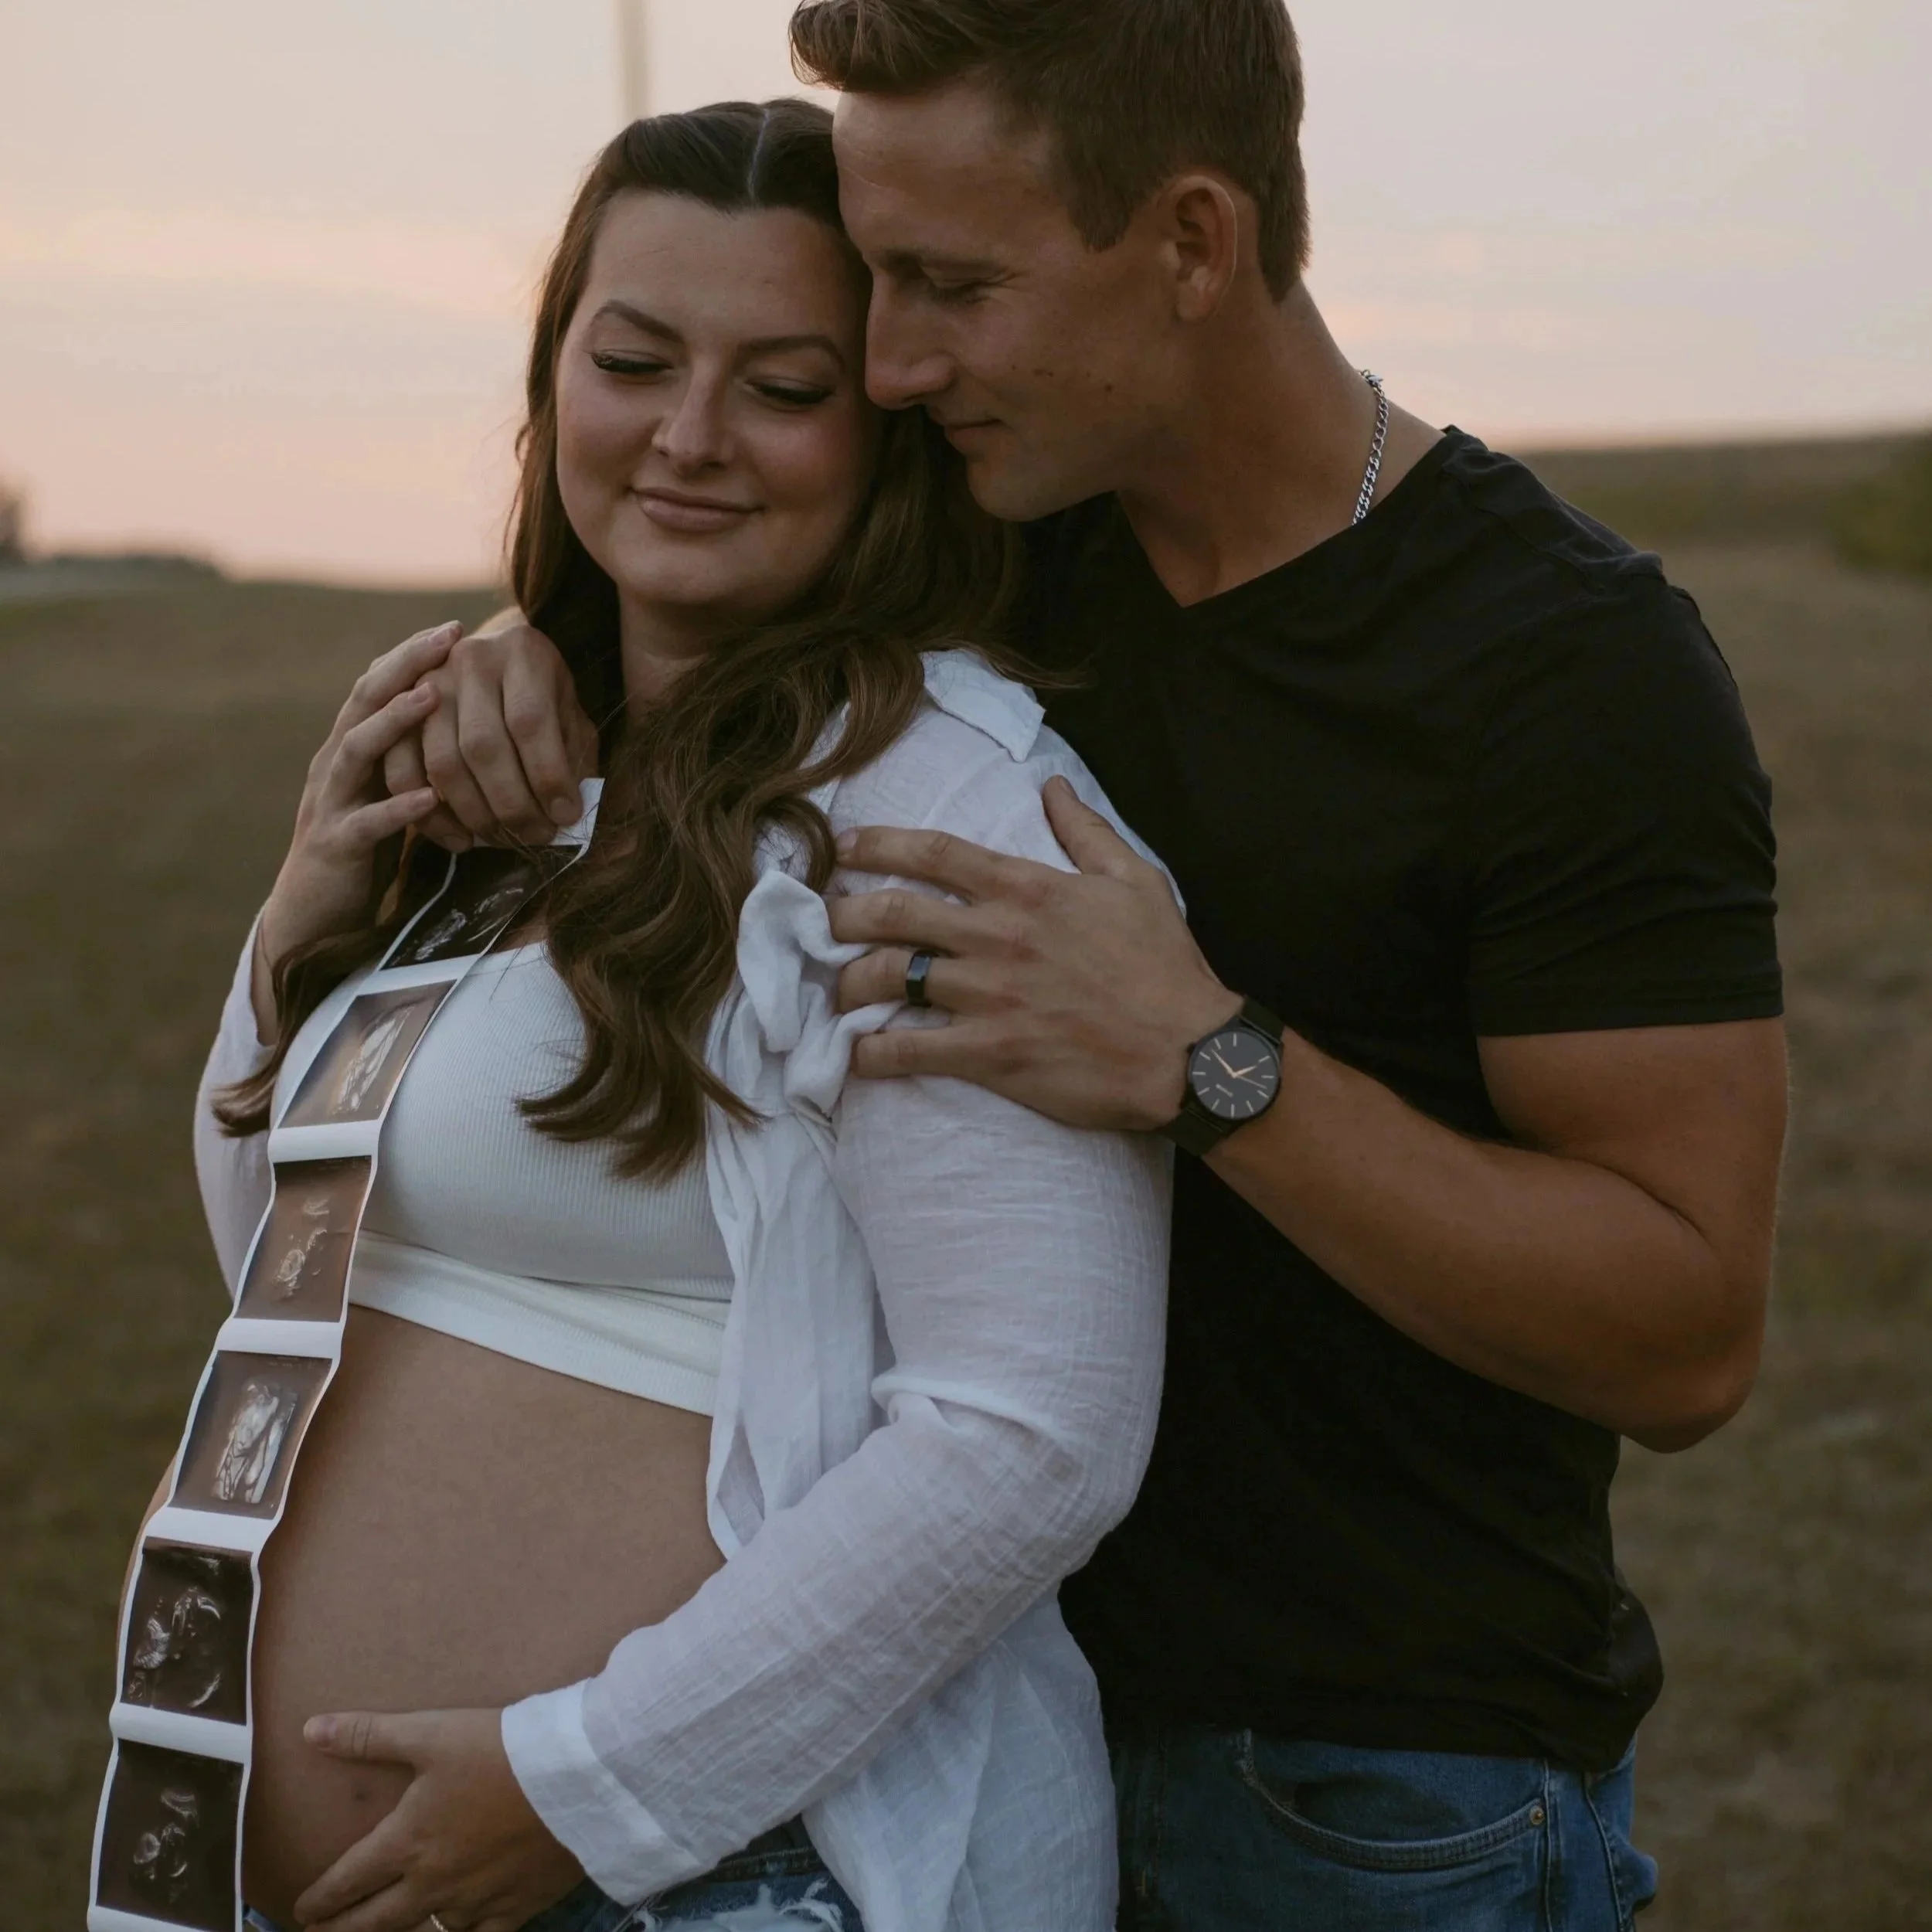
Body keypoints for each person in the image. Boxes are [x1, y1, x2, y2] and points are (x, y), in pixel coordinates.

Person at [399, 2, 1790, 1927]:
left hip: (1364, 1774)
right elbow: (708, 563)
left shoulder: (1563, 669)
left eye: (947, 283)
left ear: (1193, 244)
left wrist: (1218, 1063)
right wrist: (525, 649)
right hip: (957, 1740)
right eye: (877, 282)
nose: (893, 359)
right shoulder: (1006, 542)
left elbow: (1683, 1329)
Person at [162, 100, 1172, 1932]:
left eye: (781, 387)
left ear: (884, 434)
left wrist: (588, 1789)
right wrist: (304, 909)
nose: (689, 438)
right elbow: (289, 1277)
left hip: (728, 1869)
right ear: (554, 375)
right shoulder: (511, 763)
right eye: (633, 359)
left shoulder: (941, 806)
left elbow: (1035, 1428)